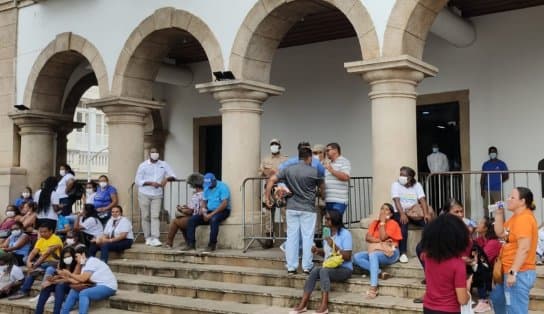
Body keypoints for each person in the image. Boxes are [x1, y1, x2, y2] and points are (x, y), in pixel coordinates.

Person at [266, 146, 324, 274]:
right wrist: (323, 195)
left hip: (291, 207)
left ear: (299, 157)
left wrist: (267, 197)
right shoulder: (314, 171)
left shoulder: (288, 169)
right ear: (309, 158)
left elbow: (271, 180)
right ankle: (307, 266)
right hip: (308, 208)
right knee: (308, 237)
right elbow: (322, 187)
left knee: (292, 237)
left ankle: (291, 266)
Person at [288, 210, 352, 314]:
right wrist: (318, 251)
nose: (325, 221)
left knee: (323, 271)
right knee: (315, 270)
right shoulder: (327, 233)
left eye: (327, 219)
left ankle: (324, 305)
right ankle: (303, 304)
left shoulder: (346, 234)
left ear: (335, 220)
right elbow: (327, 254)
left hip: (344, 269)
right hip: (330, 266)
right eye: (325, 218)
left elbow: (348, 257)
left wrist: (334, 245)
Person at [490, 187, 537, 314]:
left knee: (515, 309)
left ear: (522, 201)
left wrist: (513, 272)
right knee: (498, 300)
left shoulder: (524, 218)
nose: (508, 199)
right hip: (507, 269)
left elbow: (524, 248)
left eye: (512, 197)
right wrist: (499, 214)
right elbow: (501, 233)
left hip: (519, 271)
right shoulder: (514, 218)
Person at [420, 214, 471, 314]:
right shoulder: (458, 264)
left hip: (428, 308)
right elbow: (462, 299)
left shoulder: (427, 257)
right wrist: (468, 290)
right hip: (449, 310)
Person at [353, 203, 402, 299]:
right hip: (377, 249)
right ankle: (379, 273)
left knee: (373, 255)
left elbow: (383, 236)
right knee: (356, 257)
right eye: (382, 209)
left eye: (386, 210)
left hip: (392, 252)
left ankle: (373, 287)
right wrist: (380, 241)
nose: (383, 211)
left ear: (391, 214)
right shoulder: (375, 223)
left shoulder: (393, 224)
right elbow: (367, 237)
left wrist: (383, 223)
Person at [8, 223, 63, 300]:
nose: (42, 234)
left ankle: (43, 293)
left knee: (46, 269)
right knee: (31, 270)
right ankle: (23, 291)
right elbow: (34, 252)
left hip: (54, 263)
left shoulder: (56, 239)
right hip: (44, 263)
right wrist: (28, 262)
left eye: (45, 232)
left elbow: (46, 254)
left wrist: (35, 265)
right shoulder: (41, 240)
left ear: (51, 231)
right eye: (41, 232)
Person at [135, 147, 176, 247]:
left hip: (157, 194)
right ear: (149, 154)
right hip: (144, 193)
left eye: (156, 152)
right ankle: (147, 237)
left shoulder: (163, 164)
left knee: (155, 216)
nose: (155, 154)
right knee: (145, 216)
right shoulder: (143, 165)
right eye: (153, 152)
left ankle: (155, 237)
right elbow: (137, 181)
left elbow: (173, 175)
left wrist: (166, 180)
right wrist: (149, 183)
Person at [60, 245, 117, 314]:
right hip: (97, 286)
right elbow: (77, 281)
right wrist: (66, 278)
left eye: (76, 256)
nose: (75, 259)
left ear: (83, 254)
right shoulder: (85, 265)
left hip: (108, 286)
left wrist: (70, 274)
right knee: (73, 291)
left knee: (84, 293)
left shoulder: (92, 261)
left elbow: (83, 279)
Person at [181, 173, 230, 252]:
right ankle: (191, 244)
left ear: (214, 181)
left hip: (222, 210)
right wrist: (203, 212)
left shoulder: (222, 187)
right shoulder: (206, 187)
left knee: (214, 219)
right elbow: (204, 201)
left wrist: (210, 215)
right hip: (209, 210)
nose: (208, 186)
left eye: (210, 184)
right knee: (192, 220)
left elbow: (224, 204)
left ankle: (212, 245)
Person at [391, 166, 432, 263]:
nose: (400, 177)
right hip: (399, 212)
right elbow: (396, 200)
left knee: (427, 224)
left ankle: (427, 248)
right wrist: (402, 214)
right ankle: (403, 253)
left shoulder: (417, 185)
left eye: (403, 175)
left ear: (410, 178)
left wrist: (426, 214)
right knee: (403, 224)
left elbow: (422, 200)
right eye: (400, 174)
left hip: (413, 212)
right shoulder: (395, 185)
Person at [259, 138, 288, 249]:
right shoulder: (265, 159)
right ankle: (269, 238)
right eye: (272, 144)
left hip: (281, 188)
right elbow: (260, 172)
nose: (274, 146)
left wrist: (277, 173)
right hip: (269, 189)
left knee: (285, 213)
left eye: (276, 144)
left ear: (279, 146)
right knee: (268, 213)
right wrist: (266, 172)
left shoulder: (285, 159)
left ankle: (288, 237)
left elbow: (287, 172)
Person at [164, 173, 204, 249]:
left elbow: (190, 211)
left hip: (196, 218)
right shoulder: (206, 193)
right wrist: (186, 207)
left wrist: (181, 209)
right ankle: (187, 241)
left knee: (175, 221)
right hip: (200, 216)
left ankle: (169, 243)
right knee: (180, 222)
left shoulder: (197, 195)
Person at [34, 246, 78, 314]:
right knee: (46, 287)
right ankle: (38, 312)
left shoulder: (77, 264)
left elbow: (71, 279)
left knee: (59, 286)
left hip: (72, 285)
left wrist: (53, 281)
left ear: (73, 256)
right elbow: (59, 275)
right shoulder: (61, 263)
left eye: (69, 256)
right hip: (61, 282)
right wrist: (51, 279)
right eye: (65, 257)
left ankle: (56, 312)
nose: (67, 259)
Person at [471, 216, 500, 313]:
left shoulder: (493, 243)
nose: (477, 224)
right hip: (484, 268)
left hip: (492, 273)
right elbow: (470, 247)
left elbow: (482, 260)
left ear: (486, 228)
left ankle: (484, 301)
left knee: (479, 269)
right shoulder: (481, 239)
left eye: (480, 223)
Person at [323, 142, 351, 216]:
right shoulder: (328, 164)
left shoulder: (344, 161)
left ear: (335, 150)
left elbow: (345, 177)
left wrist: (331, 170)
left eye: (328, 150)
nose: (326, 153)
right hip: (328, 200)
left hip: (339, 201)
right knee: (330, 224)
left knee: (334, 222)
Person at [480, 146, 508, 214]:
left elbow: (506, 176)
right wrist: (482, 190)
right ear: (489, 153)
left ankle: (500, 223)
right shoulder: (485, 164)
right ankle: (488, 223)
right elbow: (483, 177)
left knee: (499, 208)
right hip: (487, 189)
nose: (493, 153)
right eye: (491, 152)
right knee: (487, 208)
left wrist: (497, 182)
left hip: (497, 190)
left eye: (494, 152)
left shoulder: (501, 163)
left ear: (496, 153)